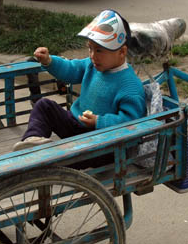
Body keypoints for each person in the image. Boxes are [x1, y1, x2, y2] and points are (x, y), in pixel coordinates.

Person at [13, 9, 146, 152]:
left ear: (122, 52)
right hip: (76, 123)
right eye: (90, 48)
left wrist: (99, 122)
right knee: (43, 105)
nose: (93, 55)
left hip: (101, 141)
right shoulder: (92, 65)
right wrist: (49, 61)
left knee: (73, 156)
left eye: (99, 50)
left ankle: (56, 161)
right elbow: (71, 68)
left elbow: (131, 121)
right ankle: (33, 139)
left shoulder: (130, 86)